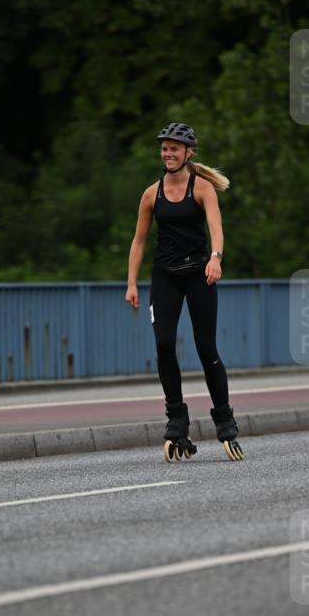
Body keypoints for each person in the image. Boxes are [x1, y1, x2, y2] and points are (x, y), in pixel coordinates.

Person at [125, 122, 243, 460]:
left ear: (188, 152)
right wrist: (131, 282)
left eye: (174, 148)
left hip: (199, 275)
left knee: (206, 347)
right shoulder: (152, 194)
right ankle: (177, 422)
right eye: (164, 148)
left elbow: (216, 230)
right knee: (163, 345)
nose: (168, 153)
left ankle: (225, 421)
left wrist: (216, 259)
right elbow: (139, 241)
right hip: (165, 277)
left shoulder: (202, 188)